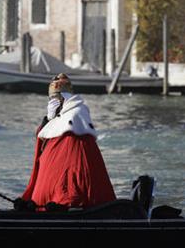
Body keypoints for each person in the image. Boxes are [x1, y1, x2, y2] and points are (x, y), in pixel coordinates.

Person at [21, 73, 116, 211]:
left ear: (65, 97)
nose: (53, 101)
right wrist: (48, 119)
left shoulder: (77, 112)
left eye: (56, 97)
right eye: (51, 98)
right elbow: (43, 137)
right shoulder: (56, 116)